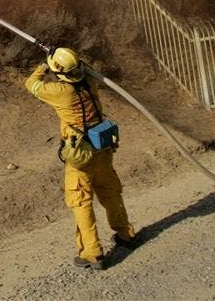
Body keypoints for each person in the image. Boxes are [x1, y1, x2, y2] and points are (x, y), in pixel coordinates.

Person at [25, 47, 139, 270]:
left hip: (81, 155)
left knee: (81, 202)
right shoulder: (90, 79)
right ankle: (125, 233)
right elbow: (85, 67)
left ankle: (92, 253)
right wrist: (68, 61)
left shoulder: (60, 92)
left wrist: (44, 66)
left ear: (58, 71)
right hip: (103, 148)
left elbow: (31, 84)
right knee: (110, 193)